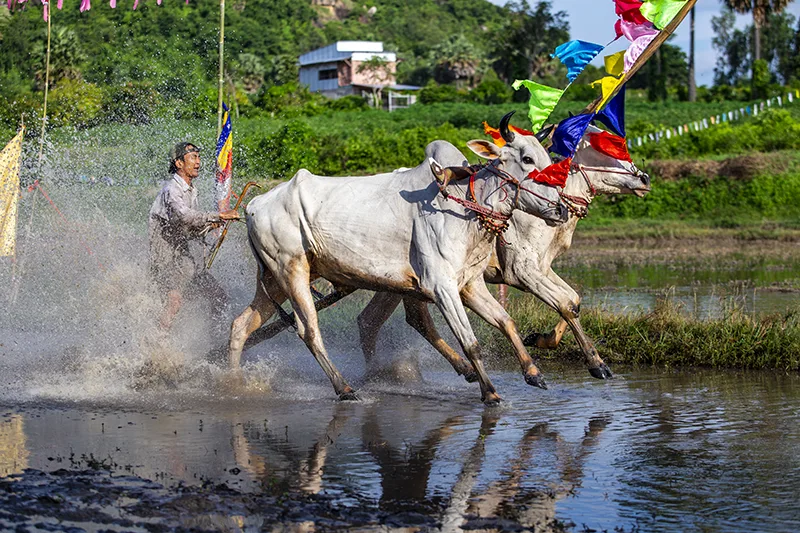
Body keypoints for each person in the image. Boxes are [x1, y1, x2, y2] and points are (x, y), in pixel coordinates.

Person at [148, 142, 239, 331]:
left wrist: (211, 225)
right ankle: (157, 346)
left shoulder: (191, 190)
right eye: (193, 157)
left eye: (198, 157)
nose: (198, 162)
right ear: (179, 163)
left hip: (186, 262)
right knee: (174, 302)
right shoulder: (171, 190)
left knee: (218, 296)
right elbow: (184, 216)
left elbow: (189, 228)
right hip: (167, 261)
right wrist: (217, 216)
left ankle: (215, 342)